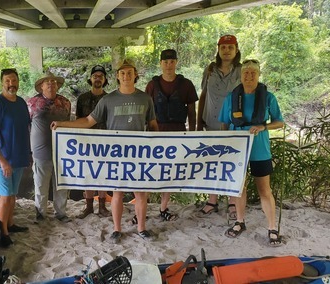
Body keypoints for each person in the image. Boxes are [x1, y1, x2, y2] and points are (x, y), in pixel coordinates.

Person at [52, 59, 159, 243]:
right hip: (116, 154)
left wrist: (159, 146)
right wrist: (62, 124)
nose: (126, 76)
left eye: (129, 72)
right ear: (117, 76)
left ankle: (141, 228)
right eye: (122, 73)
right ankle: (117, 229)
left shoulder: (145, 98)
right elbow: (87, 122)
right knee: (117, 192)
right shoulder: (108, 100)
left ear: (135, 75)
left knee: (140, 193)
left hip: (139, 155)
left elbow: (153, 126)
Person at [218, 59, 284, 247]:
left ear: (258, 75)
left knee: (264, 189)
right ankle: (240, 222)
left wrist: (263, 126)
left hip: (259, 148)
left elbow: (280, 122)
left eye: (253, 73)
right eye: (245, 72)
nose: (249, 76)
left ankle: (272, 228)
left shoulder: (268, 97)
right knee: (239, 187)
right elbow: (224, 122)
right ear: (241, 75)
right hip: (236, 149)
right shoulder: (232, 97)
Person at [144, 49, 198, 222]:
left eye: (171, 61)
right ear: (160, 64)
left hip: (178, 131)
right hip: (156, 131)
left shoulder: (186, 84)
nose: (168, 65)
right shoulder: (152, 85)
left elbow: (191, 110)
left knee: (170, 172)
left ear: (176, 62)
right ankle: (142, 209)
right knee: (150, 171)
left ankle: (163, 208)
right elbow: (146, 110)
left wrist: (192, 134)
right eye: (165, 62)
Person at [194, 34, 242, 220]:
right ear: (218, 49)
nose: (227, 50)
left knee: (231, 163)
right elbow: (203, 95)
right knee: (211, 163)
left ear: (236, 49)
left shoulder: (241, 70)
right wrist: (198, 123)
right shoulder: (210, 70)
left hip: (233, 127)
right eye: (223, 47)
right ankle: (212, 200)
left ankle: (231, 201)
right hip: (211, 124)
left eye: (230, 47)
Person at [0, 68, 31, 248]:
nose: (11, 84)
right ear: (2, 83)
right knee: (4, 197)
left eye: (14, 80)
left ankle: (11, 224)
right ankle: (3, 233)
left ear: (18, 81)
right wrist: (3, 161)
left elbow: (25, 129)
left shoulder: (20, 103)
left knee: (12, 195)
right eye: (7, 81)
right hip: (3, 161)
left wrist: (28, 153)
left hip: (19, 157)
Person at [27, 71, 72, 223]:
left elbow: (70, 125)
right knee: (40, 185)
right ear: (41, 86)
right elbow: (27, 126)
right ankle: (41, 213)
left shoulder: (66, 102)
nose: (51, 84)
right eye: (48, 82)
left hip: (63, 151)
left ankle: (61, 213)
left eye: (54, 82)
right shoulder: (32, 103)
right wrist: (29, 149)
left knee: (62, 185)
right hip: (40, 152)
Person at [76, 65, 111, 219]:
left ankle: (102, 206)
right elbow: (78, 120)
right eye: (95, 76)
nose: (98, 78)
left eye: (101, 76)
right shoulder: (82, 98)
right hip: (87, 141)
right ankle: (89, 206)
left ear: (105, 80)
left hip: (104, 141)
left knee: (102, 173)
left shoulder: (110, 98)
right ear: (90, 79)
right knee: (88, 172)